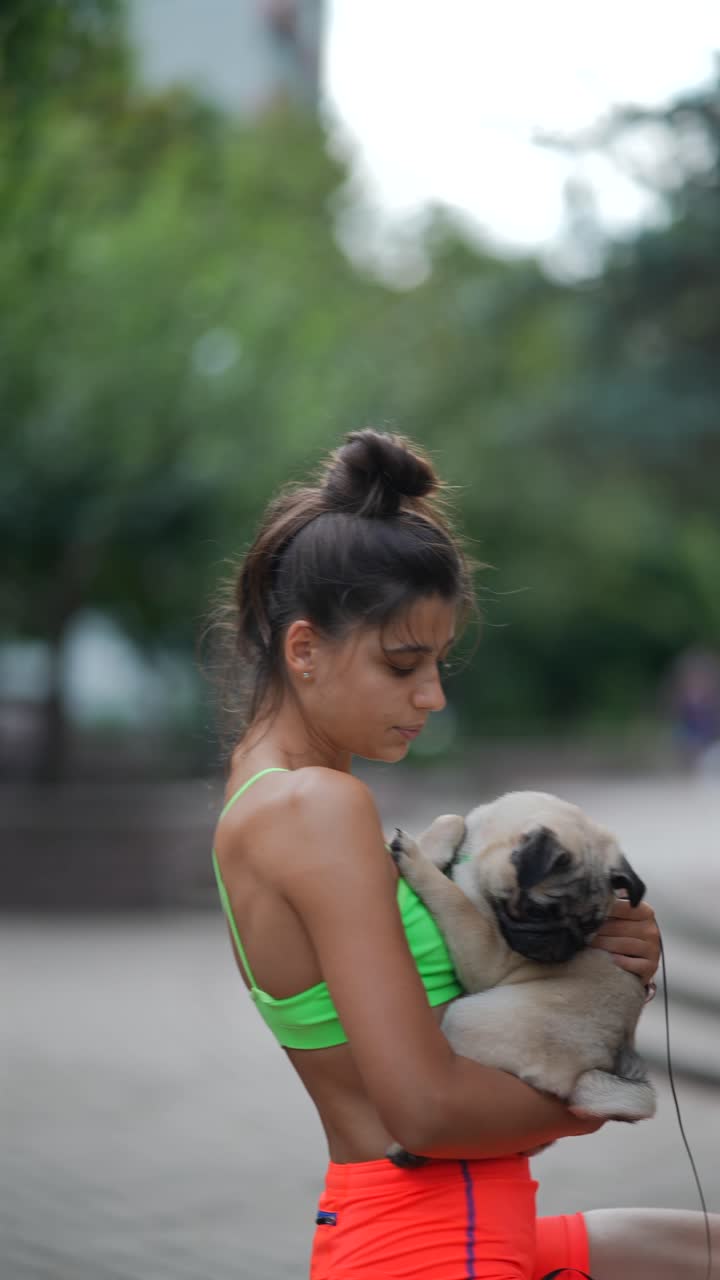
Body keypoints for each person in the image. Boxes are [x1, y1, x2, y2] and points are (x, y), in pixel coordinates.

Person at [210, 430, 717, 1279]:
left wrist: (599, 970)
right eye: (403, 664)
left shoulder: (270, 799)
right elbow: (428, 1113)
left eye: (440, 663)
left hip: (439, 1227)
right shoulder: (317, 806)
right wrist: (596, 1095)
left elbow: (460, 1028)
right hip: (439, 1244)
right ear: (304, 650)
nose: (433, 696)